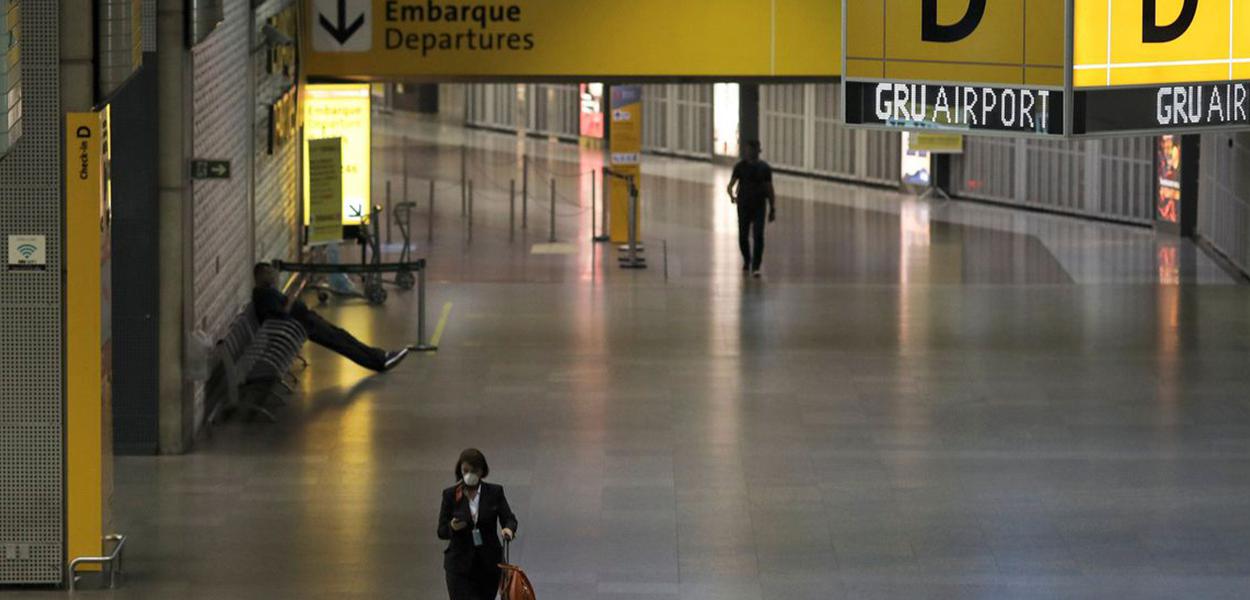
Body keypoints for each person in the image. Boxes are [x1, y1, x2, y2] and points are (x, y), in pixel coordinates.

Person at [252, 262, 409, 372]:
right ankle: (378, 362)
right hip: (303, 326)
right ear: (261, 277)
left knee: (343, 336)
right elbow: (281, 316)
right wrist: (292, 298)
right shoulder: (264, 295)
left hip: (306, 320)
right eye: (269, 273)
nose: (273, 275)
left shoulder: (268, 291)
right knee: (340, 342)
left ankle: (380, 356)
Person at [438, 448, 518, 600]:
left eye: (473, 470)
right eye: (465, 470)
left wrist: (508, 529)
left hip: (488, 565)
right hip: (459, 567)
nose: (469, 475)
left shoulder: (495, 492)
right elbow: (441, 531)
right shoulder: (450, 495)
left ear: (482, 471)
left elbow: (509, 518)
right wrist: (452, 528)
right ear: (460, 470)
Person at [727, 140, 777, 278]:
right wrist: (731, 195)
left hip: (759, 206)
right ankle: (747, 259)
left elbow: (769, 189)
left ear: (758, 151)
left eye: (753, 150)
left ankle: (756, 266)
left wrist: (772, 207)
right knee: (743, 236)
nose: (750, 152)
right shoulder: (739, 167)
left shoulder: (765, 168)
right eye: (749, 149)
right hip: (743, 206)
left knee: (758, 235)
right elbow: (730, 185)